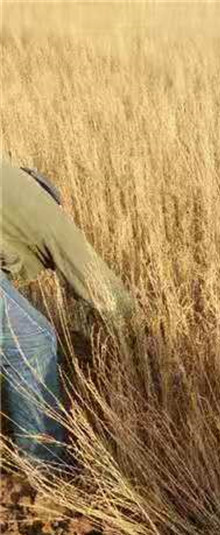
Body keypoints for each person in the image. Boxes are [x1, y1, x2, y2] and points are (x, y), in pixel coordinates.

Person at [0, 159, 133, 465]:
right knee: (31, 341)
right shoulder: (45, 216)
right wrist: (138, 344)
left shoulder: (13, 192)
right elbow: (101, 286)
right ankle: (44, 467)